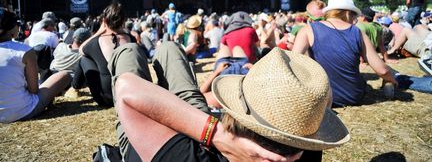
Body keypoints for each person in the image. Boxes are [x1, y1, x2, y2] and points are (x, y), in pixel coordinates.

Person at [110, 47, 350, 161]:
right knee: (167, 51)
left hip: (153, 132)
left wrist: (220, 136)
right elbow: (320, 95)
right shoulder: (305, 151)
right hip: (194, 126)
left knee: (131, 51)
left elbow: (126, 87)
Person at [293, 0, 398, 106]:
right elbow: (382, 70)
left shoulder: (307, 30)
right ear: (348, 13)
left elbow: (292, 62)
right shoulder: (358, 32)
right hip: (351, 97)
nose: (354, 20)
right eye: (354, 16)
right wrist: (392, 80)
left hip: (320, 97)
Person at [0, 8, 71, 123]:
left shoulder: (29, 40)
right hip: (21, 111)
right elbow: (33, 90)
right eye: (17, 24)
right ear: (12, 29)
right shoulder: (24, 51)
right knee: (65, 75)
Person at [75, 3, 136, 107]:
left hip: (107, 98)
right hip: (129, 94)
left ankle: (75, 87)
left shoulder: (95, 42)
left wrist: (99, 31)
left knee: (84, 59)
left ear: (104, 21)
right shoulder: (131, 39)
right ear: (123, 21)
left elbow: (80, 49)